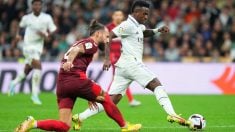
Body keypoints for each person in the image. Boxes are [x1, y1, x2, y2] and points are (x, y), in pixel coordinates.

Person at [72, 0, 191, 130]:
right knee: (156, 84)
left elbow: (144, 33)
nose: (146, 17)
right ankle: (172, 114)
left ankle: (80, 117)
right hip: (131, 63)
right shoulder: (127, 25)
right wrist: (106, 58)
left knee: (111, 100)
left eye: (148, 14)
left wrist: (157, 30)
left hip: (123, 67)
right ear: (136, 12)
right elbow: (109, 35)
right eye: (144, 14)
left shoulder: (138, 26)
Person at [15, 20, 142, 132]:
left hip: (62, 84)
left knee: (64, 126)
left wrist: (89, 95)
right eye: (106, 35)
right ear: (98, 34)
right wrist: (70, 61)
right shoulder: (92, 44)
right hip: (75, 79)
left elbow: (77, 54)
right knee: (106, 98)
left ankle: (33, 123)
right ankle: (125, 126)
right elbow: (76, 51)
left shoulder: (80, 41)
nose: (107, 39)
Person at [8, 0, 57, 105]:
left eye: (39, 4)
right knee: (38, 66)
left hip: (38, 47)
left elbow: (53, 30)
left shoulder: (47, 18)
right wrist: (17, 37)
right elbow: (20, 27)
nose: (37, 6)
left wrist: (46, 35)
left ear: (42, 6)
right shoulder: (27, 18)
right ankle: (34, 95)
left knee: (28, 69)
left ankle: (13, 83)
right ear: (32, 6)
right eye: (35, 4)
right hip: (28, 47)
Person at [106, 10, 141, 106]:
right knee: (118, 77)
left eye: (120, 15)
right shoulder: (108, 28)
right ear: (113, 16)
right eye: (116, 15)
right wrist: (107, 57)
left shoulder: (125, 27)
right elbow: (105, 42)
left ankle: (130, 100)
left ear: (122, 17)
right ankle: (106, 99)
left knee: (123, 77)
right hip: (113, 55)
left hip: (124, 55)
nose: (118, 17)